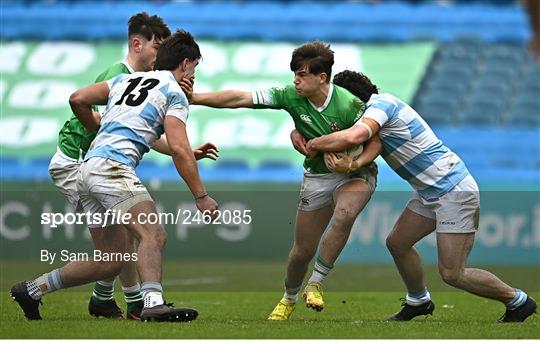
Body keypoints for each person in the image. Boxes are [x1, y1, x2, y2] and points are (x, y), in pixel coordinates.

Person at [11, 29, 218, 323]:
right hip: (112, 168)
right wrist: (201, 195)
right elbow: (180, 149)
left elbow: (78, 98)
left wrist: (100, 129)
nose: (193, 75)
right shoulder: (174, 93)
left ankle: (31, 289)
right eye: (194, 68)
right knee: (152, 234)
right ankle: (152, 303)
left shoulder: (126, 80)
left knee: (111, 260)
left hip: (87, 169)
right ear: (185, 63)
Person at [302, 70, 537, 323]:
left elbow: (354, 137)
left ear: (351, 98)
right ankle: (419, 301)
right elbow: (374, 145)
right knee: (398, 242)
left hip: (452, 189)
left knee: (452, 273)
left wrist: (318, 146)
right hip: (430, 191)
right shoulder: (378, 114)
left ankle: (518, 301)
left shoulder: (381, 105)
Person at [185, 41, 381, 320]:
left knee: (345, 212)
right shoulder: (291, 96)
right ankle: (288, 298)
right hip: (317, 175)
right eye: (295, 74)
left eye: (302, 75)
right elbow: (241, 98)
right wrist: (195, 98)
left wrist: (354, 162)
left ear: (322, 77)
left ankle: (316, 283)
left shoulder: (350, 104)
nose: (296, 81)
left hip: (356, 173)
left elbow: (376, 143)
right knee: (302, 251)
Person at [46, 12, 171, 320]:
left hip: (89, 161)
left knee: (121, 241)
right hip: (76, 160)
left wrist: (184, 151)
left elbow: (125, 129)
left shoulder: (137, 80)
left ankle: (109, 300)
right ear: (138, 44)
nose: (161, 56)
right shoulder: (120, 73)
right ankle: (130, 302)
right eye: (158, 48)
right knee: (120, 244)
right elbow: (91, 113)